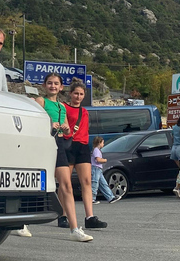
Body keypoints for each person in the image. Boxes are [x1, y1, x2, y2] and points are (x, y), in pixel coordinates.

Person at [31, 73, 93, 242]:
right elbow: (33, 123)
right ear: (44, 85)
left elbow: (68, 131)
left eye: (56, 83)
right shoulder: (40, 102)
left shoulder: (61, 107)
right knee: (35, 184)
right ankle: (21, 224)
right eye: (49, 83)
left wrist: (66, 129)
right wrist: (49, 124)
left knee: (66, 185)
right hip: (43, 144)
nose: (52, 86)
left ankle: (74, 228)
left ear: (61, 87)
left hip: (58, 144)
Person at [63, 79, 107, 230]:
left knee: (87, 181)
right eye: (76, 93)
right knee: (65, 182)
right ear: (70, 94)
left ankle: (90, 217)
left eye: (81, 94)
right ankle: (63, 215)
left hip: (82, 146)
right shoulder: (64, 108)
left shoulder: (85, 111)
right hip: (68, 145)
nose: (78, 96)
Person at [90, 136, 121, 204]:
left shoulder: (97, 150)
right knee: (95, 183)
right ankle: (92, 198)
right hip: (96, 168)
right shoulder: (96, 150)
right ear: (99, 143)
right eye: (103, 142)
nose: (103, 144)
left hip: (98, 169)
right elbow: (98, 159)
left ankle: (110, 197)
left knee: (103, 184)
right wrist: (104, 160)